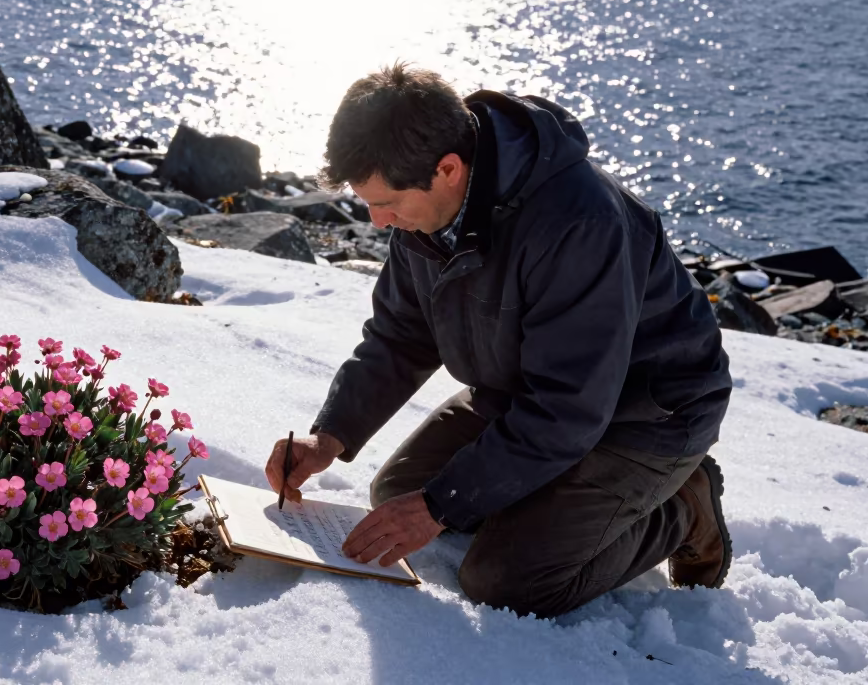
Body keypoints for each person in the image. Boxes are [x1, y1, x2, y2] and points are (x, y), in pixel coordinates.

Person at [264, 64, 734, 618]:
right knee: (399, 495)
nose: (376, 219)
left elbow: (570, 408)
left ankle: (682, 508)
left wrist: (441, 505)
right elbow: (401, 334)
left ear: (448, 169)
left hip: (647, 415)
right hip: (523, 389)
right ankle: (554, 502)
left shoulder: (579, 222)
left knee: (507, 581)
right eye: (367, 202)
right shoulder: (422, 210)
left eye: (386, 203)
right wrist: (330, 436)